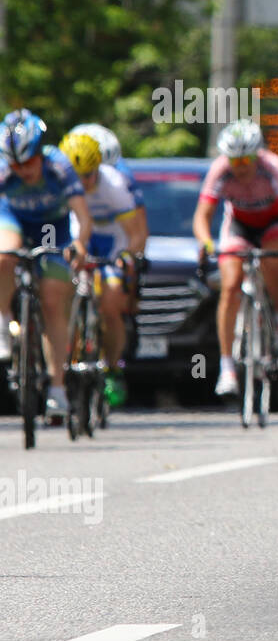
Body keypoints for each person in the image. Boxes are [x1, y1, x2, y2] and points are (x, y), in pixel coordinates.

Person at [192, 119, 278, 397]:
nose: (240, 166)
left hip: (273, 223)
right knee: (229, 286)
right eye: (235, 160)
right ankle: (227, 367)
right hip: (239, 225)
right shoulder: (221, 170)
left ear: (257, 155)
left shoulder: (272, 166)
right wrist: (206, 242)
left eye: (246, 159)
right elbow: (202, 215)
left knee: (273, 260)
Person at [0, 110, 93, 417]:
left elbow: (81, 213)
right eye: (16, 165)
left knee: (54, 299)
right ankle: (3, 324)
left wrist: (80, 245)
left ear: (40, 153)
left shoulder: (59, 165)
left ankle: (56, 387)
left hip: (53, 231)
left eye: (28, 162)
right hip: (13, 221)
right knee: (5, 255)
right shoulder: (3, 169)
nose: (23, 171)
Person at [60, 133, 147, 407]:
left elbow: (136, 234)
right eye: (77, 176)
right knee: (61, 290)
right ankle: (64, 365)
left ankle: (112, 368)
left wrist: (126, 257)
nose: (83, 182)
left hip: (112, 239)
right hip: (80, 234)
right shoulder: (60, 184)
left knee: (110, 301)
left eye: (88, 175)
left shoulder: (114, 184)